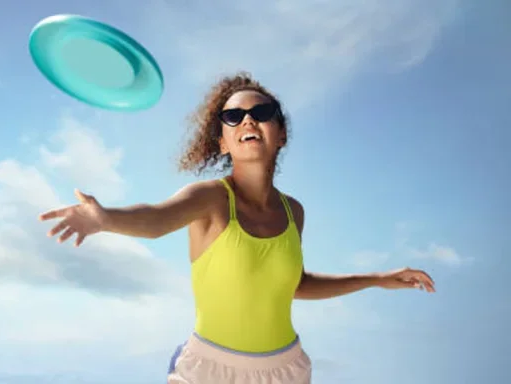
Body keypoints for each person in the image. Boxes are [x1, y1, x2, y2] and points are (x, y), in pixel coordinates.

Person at [39, 72, 436, 384]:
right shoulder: (210, 199)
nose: (248, 119)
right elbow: (158, 218)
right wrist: (106, 218)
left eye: (262, 114)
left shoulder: (293, 211)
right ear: (224, 142)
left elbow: (293, 285)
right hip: (211, 370)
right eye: (233, 116)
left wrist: (378, 278)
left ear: (280, 135)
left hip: (285, 370)